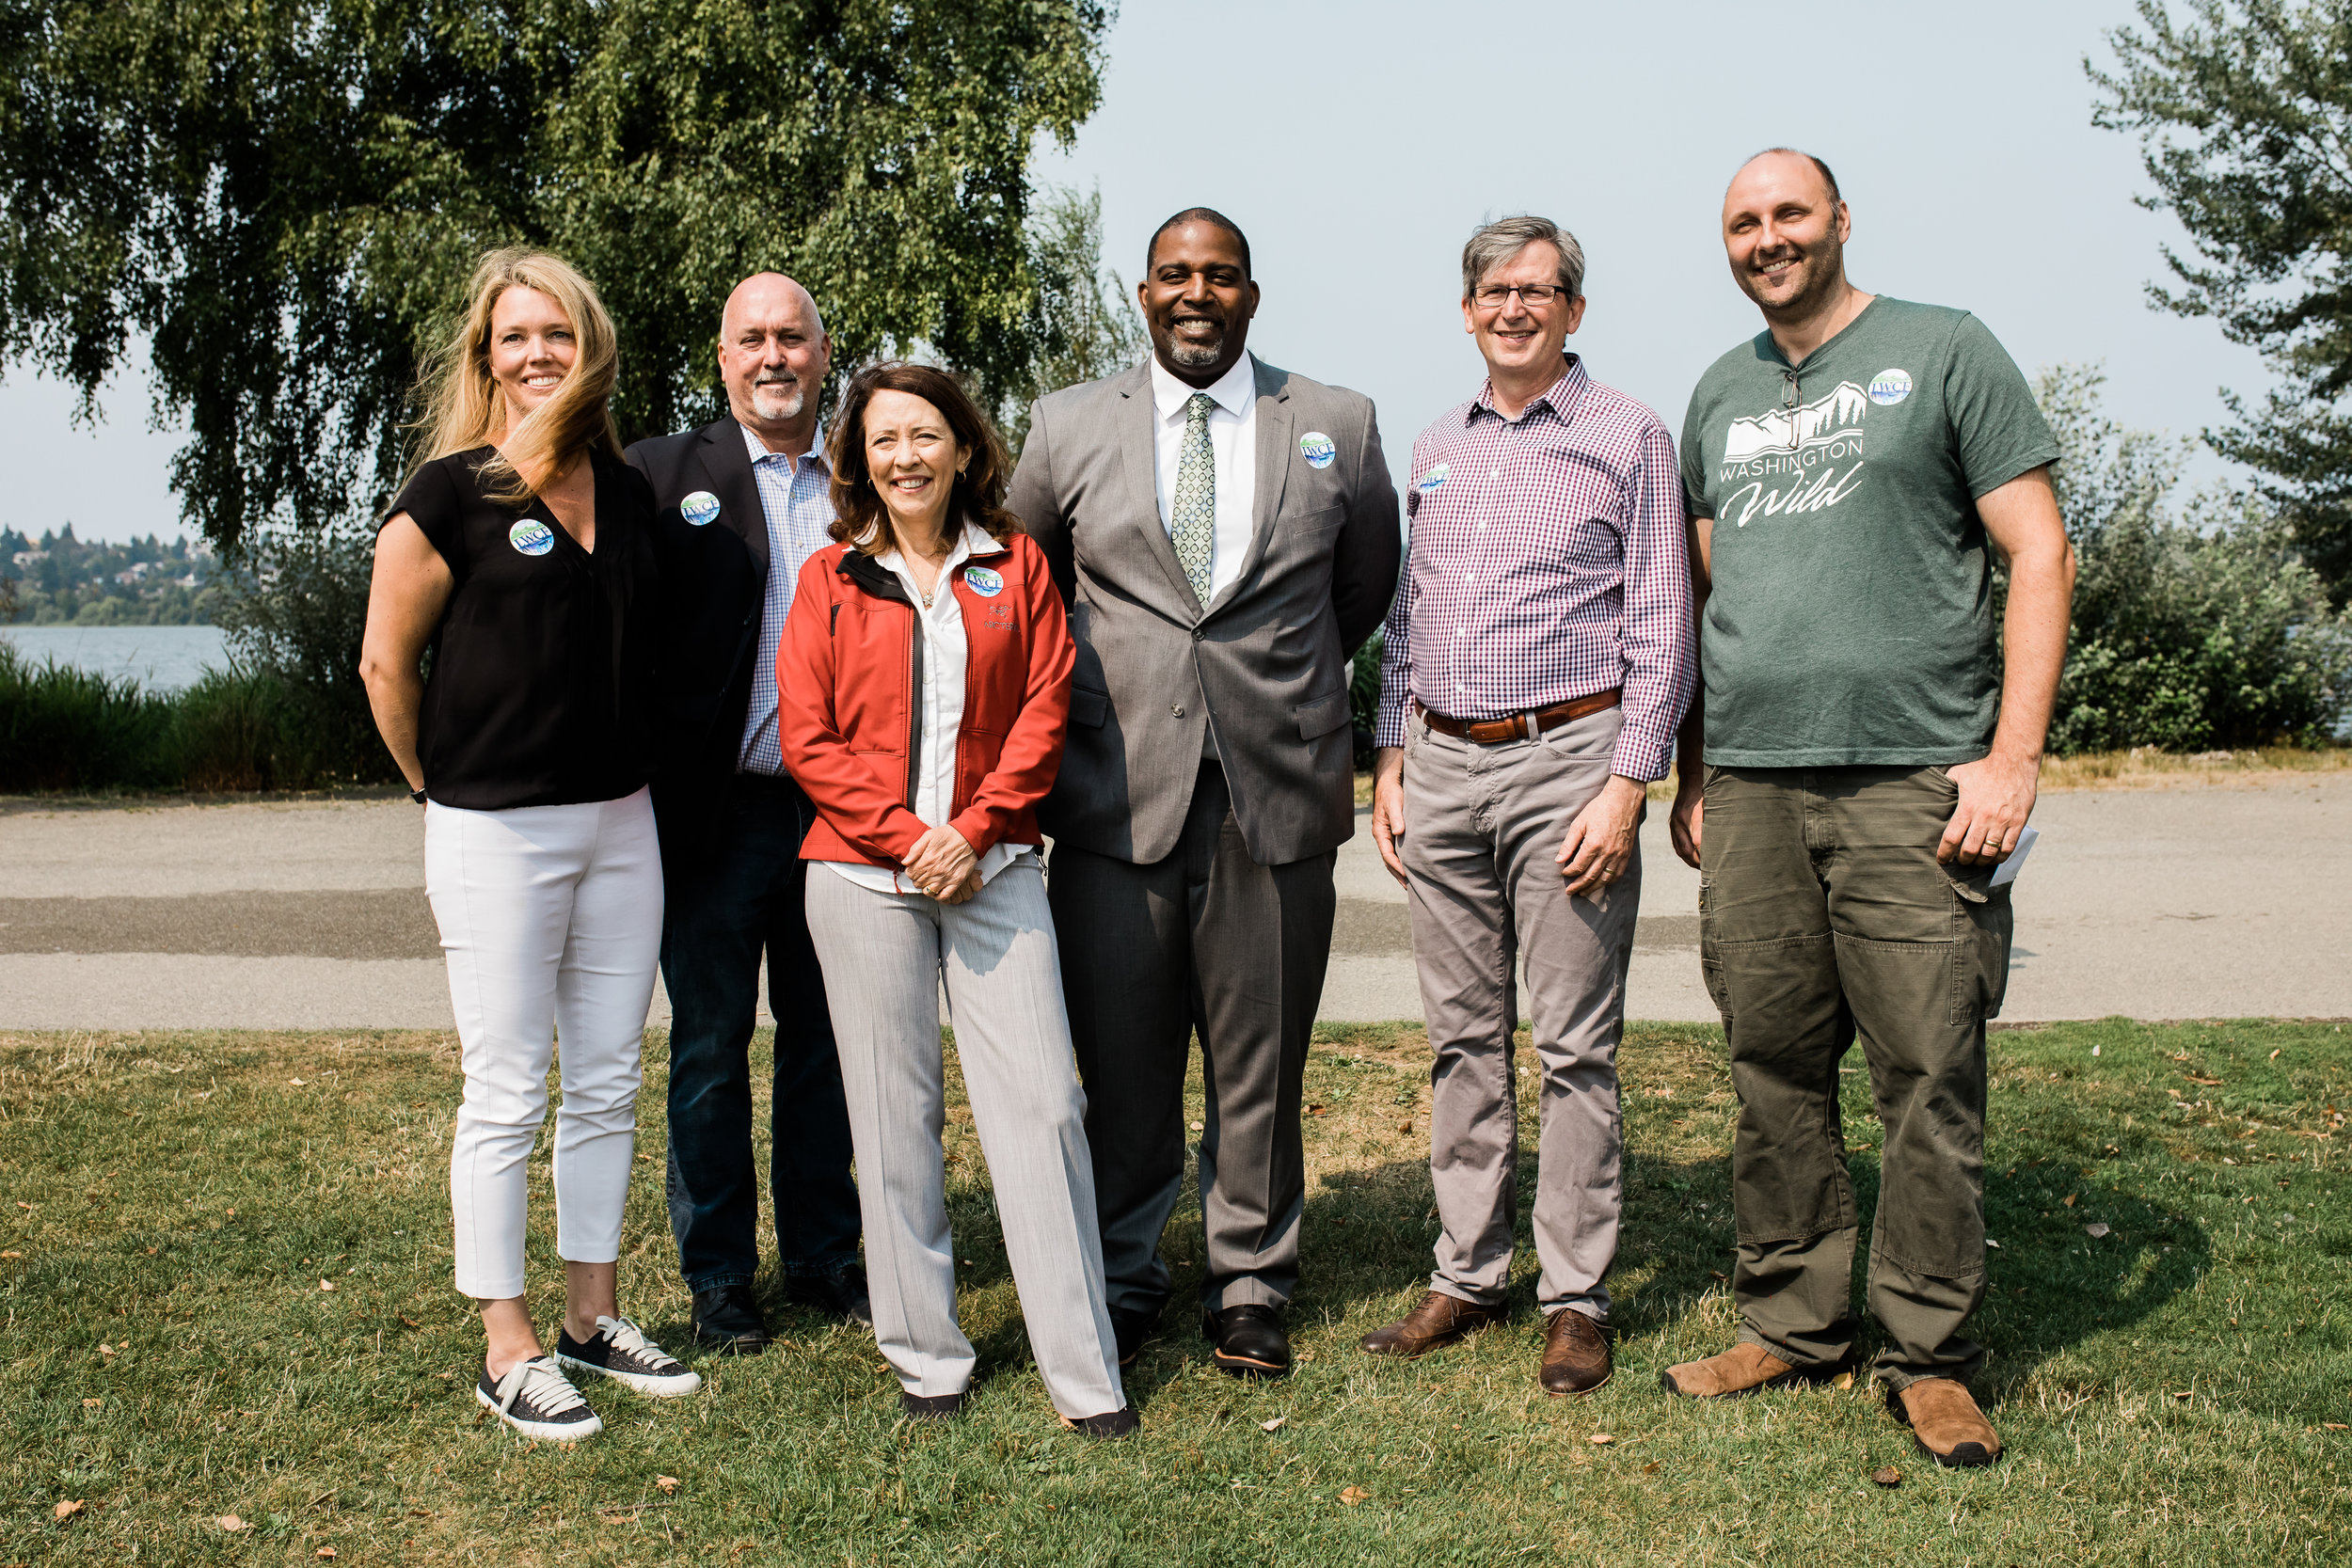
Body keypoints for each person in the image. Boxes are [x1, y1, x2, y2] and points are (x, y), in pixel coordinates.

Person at [1662, 150, 2074, 1468]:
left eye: (1789, 214)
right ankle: (1792, 1321)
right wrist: (1699, 770)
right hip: (1759, 787)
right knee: (1772, 1065)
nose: (1767, 238)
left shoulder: (1946, 350)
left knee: (1927, 1071)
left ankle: (1931, 1354)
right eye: (1744, 222)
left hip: (1915, 779)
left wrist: (2012, 757)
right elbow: (1713, 597)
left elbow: (2039, 548)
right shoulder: (1720, 391)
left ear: (1840, 220)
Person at [1009, 208, 1401, 1380]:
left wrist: (1265, 687)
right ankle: (1125, 1272)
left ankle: (1249, 1280)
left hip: (1270, 793)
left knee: (1259, 1055)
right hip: (1108, 795)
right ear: (1142, 294)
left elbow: (1362, 585)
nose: (1196, 294)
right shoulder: (1066, 424)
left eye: (1218, 276)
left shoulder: (1334, 423)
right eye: (1174, 275)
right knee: (1120, 1057)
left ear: (1251, 294)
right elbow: (1027, 582)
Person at [359, 248, 698, 1443]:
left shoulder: (631, 489)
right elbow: (385, 668)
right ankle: (506, 1343)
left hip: (622, 822)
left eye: (557, 331)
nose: (538, 352)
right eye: (515, 336)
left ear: (589, 344)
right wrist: (435, 788)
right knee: (506, 1087)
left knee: (607, 1077)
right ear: (485, 356)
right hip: (493, 829)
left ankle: (591, 1319)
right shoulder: (447, 496)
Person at [1360, 216, 1694, 1396]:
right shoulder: (1432, 444)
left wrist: (1626, 781)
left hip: (1570, 760)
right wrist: (1391, 753)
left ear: (1573, 311)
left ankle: (1576, 1295)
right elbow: (1409, 614)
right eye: (1495, 291)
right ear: (1466, 310)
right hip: (1442, 763)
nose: (1515, 308)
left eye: (1539, 291)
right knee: (1461, 1036)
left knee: (1571, 1047)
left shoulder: (1629, 435)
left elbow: (1662, 621)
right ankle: (1466, 1270)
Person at [778, 363, 1135, 1436]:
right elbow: (810, 737)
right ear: (858, 459)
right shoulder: (829, 577)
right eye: (884, 439)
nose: (906, 457)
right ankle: (927, 1356)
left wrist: (972, 832)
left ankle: (1085, 1370)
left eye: (925, 434)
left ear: (964, 448)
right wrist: (906, 841)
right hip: (858, 877)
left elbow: (1042, 705)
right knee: (894, 1119)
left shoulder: (1015, 563)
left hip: (997, 870)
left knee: (1044, 1107)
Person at [625, 274, 865, 1351]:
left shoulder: (866, 477)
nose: (774, 356)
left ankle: (823, 1253)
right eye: (751, 339)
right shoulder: (659, 473)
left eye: (793, 338)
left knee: (826, 1044)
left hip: (841, 811)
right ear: (722, 359)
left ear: (824, 353)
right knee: (712, 1049)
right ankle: (720, 1274)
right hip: (712, 815)